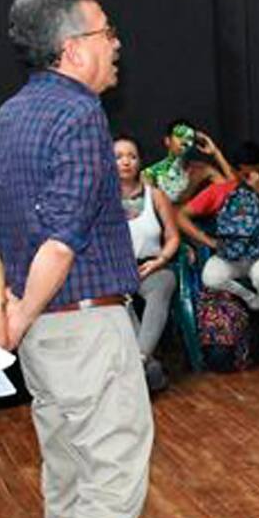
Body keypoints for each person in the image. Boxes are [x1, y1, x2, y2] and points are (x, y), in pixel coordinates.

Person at [0, 0, 160, 518]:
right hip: (85, 327)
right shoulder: (80, 114)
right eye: (106, 31)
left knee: (67, 474)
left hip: (41, 337)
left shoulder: (8, 117)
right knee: (113, 489)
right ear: (72, 48)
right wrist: (19, 313)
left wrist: (11, 314)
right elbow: (61, 241)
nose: (116, 44)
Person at [178, 141, 259, 347]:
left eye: (254, 171)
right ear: (236, 170)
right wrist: (207, 240)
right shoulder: (221, 190)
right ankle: (252, 300)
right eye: (244, 173)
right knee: (211, 277)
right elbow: (181, 215)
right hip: (229, 254)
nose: (249, 177)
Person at [115, 135, 179, 387]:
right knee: (117, 301)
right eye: (118, 157)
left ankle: (139, 362)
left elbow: (173, 237)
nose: (126, 162)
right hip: (117, 271)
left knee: (162, 285)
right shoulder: (101, 199)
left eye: (131, 156)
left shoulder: (156, 196)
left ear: (140, 161)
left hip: (152, 266)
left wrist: (160, 260)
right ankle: (150, 370)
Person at [142, 118, 233, 204]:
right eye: (179, 136)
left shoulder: (201, 170)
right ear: (167, 141)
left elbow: (234, 192)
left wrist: (216, 152)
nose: (184, 141)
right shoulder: (151, 174)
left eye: (188, 138)